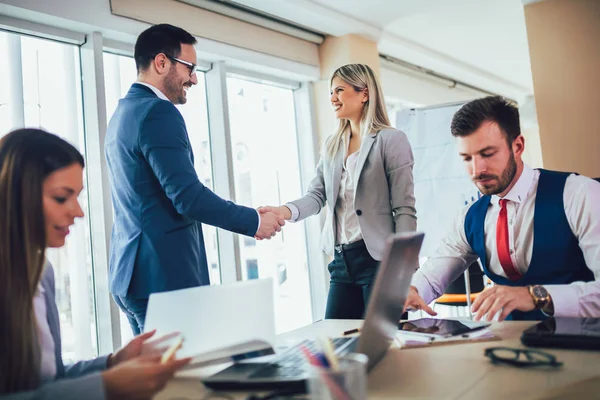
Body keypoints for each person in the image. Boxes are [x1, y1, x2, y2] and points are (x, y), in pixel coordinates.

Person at [105, 24, 284, 334]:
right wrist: (253, 220)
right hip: (164, 280)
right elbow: (187, 197)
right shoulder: (158, 112)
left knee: (161, 379)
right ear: (161, 63)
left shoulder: (123, 113)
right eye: (189, 68)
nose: (194, 78)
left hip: (132, 275)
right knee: (184, 379)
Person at [0, 128, 191, 399]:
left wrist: (114, 363)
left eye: (77, 197)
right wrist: (107, 387)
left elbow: (48, 381)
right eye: (61, 197)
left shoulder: (39, 272)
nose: (78, 212)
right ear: (16, 194)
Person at [405, 96, 600, 321]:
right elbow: (433, 274)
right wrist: (412, 291)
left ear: (517, 146)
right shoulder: (470, 218)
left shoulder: (579, 194)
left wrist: (536, 296)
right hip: (509, 346)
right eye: (467, 158)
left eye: (487, 154)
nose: (477, 169)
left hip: (583, 345)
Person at [259, 64, 417, 319]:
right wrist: (285, 211)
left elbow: (405, 208)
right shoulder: (332, 144)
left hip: (380, 261)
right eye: (331, 92)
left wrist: (404, 270)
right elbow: (317, 195)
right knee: (336, 338)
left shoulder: (391, 140)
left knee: (385, 345)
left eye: (339, 90)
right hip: (342, 261)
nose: (332, 98)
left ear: (364, 93)